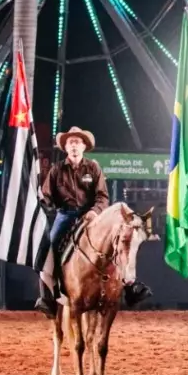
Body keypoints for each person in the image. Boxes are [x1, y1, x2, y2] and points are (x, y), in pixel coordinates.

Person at [34, 126, 153, 317]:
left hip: (92, 216)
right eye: (70, 142)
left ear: (84, 147)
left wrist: (94, 211)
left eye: (77, 142)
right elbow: (46, 196)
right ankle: (47, 297)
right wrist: (41, 201)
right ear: (65, 147)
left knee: (119, 244)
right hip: (65, 215)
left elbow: (102, 196)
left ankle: (131, 286)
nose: (74, 145)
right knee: (47, 249)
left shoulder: (93, 168)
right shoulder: (56, 170)